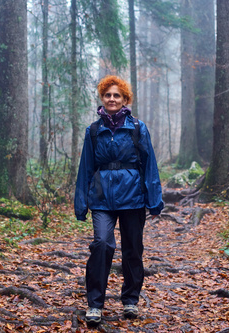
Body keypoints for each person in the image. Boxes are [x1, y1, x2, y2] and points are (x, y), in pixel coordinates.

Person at [74, 75, 164, 325]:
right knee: (102, 244)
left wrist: (154, 200)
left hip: (133, 198)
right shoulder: (93, 131)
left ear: (125, 99)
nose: (112, 99)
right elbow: (85, 168)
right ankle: (95, 305)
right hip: (102, 198)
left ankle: (131, 301)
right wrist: (81, 204)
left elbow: (150, 166)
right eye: (108, 95)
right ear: (102, 98)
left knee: (133, 250)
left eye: (117, 95)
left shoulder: (137, 128)